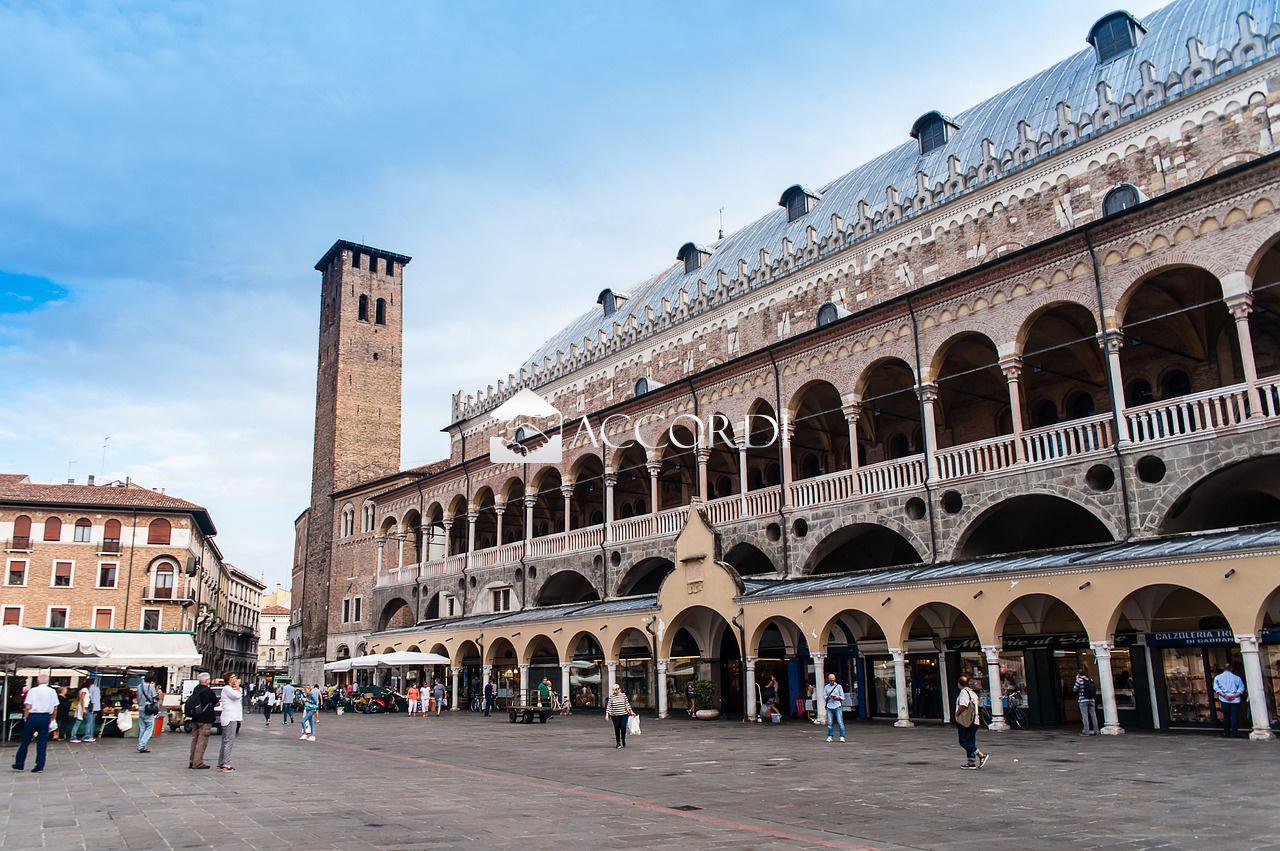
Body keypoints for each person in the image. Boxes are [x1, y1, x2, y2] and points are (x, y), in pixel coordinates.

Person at [11, 675, 58, 773]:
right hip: (45, 716)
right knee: (42, 741)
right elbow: (55, 707)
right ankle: (39, 765)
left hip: (33, 716)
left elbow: (28, 706)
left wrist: (26, 717)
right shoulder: (52, 691)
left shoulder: (32, 691)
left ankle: (19, 763)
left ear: (37, 681)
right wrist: (52, 718)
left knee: (25, 740)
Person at [954, 675, 989, 770]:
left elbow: (963, 705)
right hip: (975, 720)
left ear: (959, 684)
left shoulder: (963, 692)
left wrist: (957, 714)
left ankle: (981, 755)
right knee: (970, 741)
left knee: (963, 741)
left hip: (967, 721)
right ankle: (971, 762)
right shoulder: (972, 693)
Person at [186, 672, 218, 769]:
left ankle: (192, 760)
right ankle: (198, 762)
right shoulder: (208, 691)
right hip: (205, 719)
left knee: (195, 740)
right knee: (202, 741)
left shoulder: (196, 689)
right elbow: (216, 703)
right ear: (206, 681)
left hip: (195, 717)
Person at [1213, 662, 1246, 739]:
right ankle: (1234, 733)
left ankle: (1226, 733)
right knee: (1234, 716)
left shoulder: (1217, 677)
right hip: (1235, 699)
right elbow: (1241, 688)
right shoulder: (1237, 678)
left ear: (1223, 669)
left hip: (1224, 699)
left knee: (1226, 716)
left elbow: (1216, 688)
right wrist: (1234, 695)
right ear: (1231, 669)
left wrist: (1224, 695)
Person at [218, 673, 243, 771]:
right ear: (228, 679)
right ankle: (226, 763)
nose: (236, 678)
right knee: (229, 741)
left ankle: (221, 762)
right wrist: (238, 686)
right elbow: (237, 696)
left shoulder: (229, 689)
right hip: (230, 717)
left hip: (231, 717)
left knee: (225, 740)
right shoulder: (227, 688)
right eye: (233, 677)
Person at [136, 673, 163, 753]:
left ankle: (141, 745)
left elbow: (137, 698)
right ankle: (141, 745)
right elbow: (154, 697)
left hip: (140, 708)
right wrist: (158, 694)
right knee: (149, 728)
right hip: (148, 709)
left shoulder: (139, 686)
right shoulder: (151, 686)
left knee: (142, 727)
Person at [605, 683, 636, 748]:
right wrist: (607, 715)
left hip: (624, 714)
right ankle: (618, 742)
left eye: (618, 688)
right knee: (617, 728)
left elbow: (627, 704)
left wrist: (631, 712)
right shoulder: (611, 697)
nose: (618, 690)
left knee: (623, 726)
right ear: (613, 690)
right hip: (615, 715)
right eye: (616, 689)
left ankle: (623, 739)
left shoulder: (623, 696)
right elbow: (609, 706)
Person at [1073, 669, 1099, 736]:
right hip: (1091, 700)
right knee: (1093, 715)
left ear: (1078, 674)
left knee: (1085, 716)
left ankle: (1086, 732)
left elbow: (1074, 689)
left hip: (1083, 700)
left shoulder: (1079, 681)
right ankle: (1096, 731)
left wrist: (1076, 680)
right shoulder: (1090, 680)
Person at [823, 673, 846, 743]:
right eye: (830, 680)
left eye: (833, 680)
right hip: (829, 706)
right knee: (830, 722)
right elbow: (824, 696)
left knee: (840, 722)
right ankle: (830, 736)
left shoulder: (839, 687)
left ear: (835, 679)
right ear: (828, 680)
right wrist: (828, 697)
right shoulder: (826, 687)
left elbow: (843, 697)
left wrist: (836, 697)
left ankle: (842, 736)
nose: (832, 682)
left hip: (837, 706)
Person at [82, 676, 100, 742]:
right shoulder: (96, 688)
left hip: (91, 706)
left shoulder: (89, 689)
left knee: (90, 722)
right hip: (94, 707)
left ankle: (88, 735)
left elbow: (93, 699)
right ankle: (89, 735)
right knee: (91, 722)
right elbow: (95, 699)